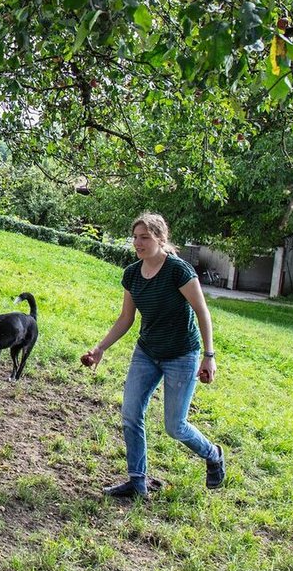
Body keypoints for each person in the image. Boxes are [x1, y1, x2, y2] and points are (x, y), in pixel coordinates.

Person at [81, 212, 224, 499]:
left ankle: (213, 454)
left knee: (175, 426)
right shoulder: (132, 273)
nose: (138, 243)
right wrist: (100, 349)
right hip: (147, 352)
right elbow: (125, 318)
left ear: (160, 238)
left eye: (145, 237)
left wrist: (209, 356)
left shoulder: (178, 271)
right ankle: (137, 481)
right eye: (135, 237)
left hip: (182, 354)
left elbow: (202, 312)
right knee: (131, 414)